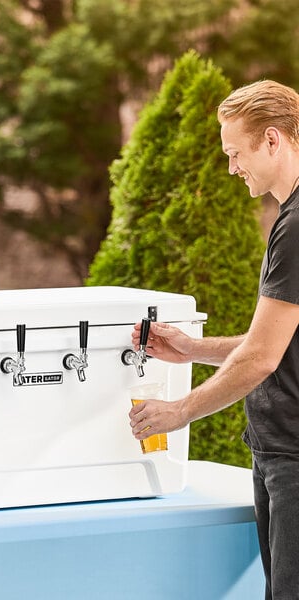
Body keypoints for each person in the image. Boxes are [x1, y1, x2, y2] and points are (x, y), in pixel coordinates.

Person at [128, 79, 299, 600]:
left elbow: (264, 358)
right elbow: (278, 341)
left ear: (273, 140)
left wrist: (180, 410)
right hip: (279, 451)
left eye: (235, 153)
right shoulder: (287, 218)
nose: (231, 168)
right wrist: (192, 348)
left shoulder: (297, 227)